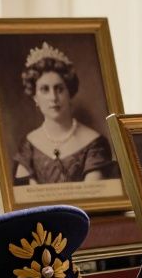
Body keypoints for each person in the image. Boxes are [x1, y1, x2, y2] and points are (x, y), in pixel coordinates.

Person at [13, 42, 113, 185]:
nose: (53, 97)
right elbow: (27, 199)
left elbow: (93, 196)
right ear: (35, 97)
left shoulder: (95, 144)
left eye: (59, 89)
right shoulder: (28, 145)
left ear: (69, 93)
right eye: (44, 89)